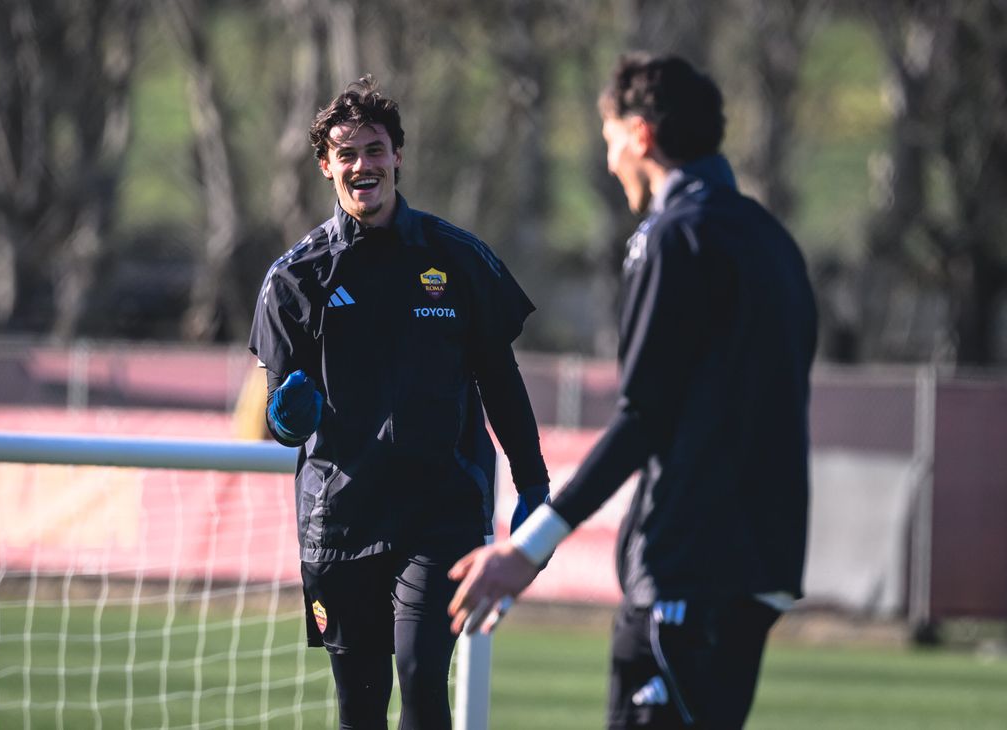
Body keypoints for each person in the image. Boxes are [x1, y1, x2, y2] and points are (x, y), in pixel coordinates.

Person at [449, 53, 818, 729]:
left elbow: (645, 414)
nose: (612, 158)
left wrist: (529, 545)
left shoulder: (672, 236)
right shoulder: (775, 242)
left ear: (641, 135)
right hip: (763, 566)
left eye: (612, 138)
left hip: (686, 568)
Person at [248, 76, 550, 730]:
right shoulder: (295, 279)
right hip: (340, 517)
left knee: (420, 676)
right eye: (347, 153)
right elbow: (280, 415)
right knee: (359, 705)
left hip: (441, 513)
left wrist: (534, 485)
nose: (364, 165)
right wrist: (285, 416)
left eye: (376, 150)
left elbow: (500, 379)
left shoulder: (459, 259)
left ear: (398, 158)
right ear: (325, 166)